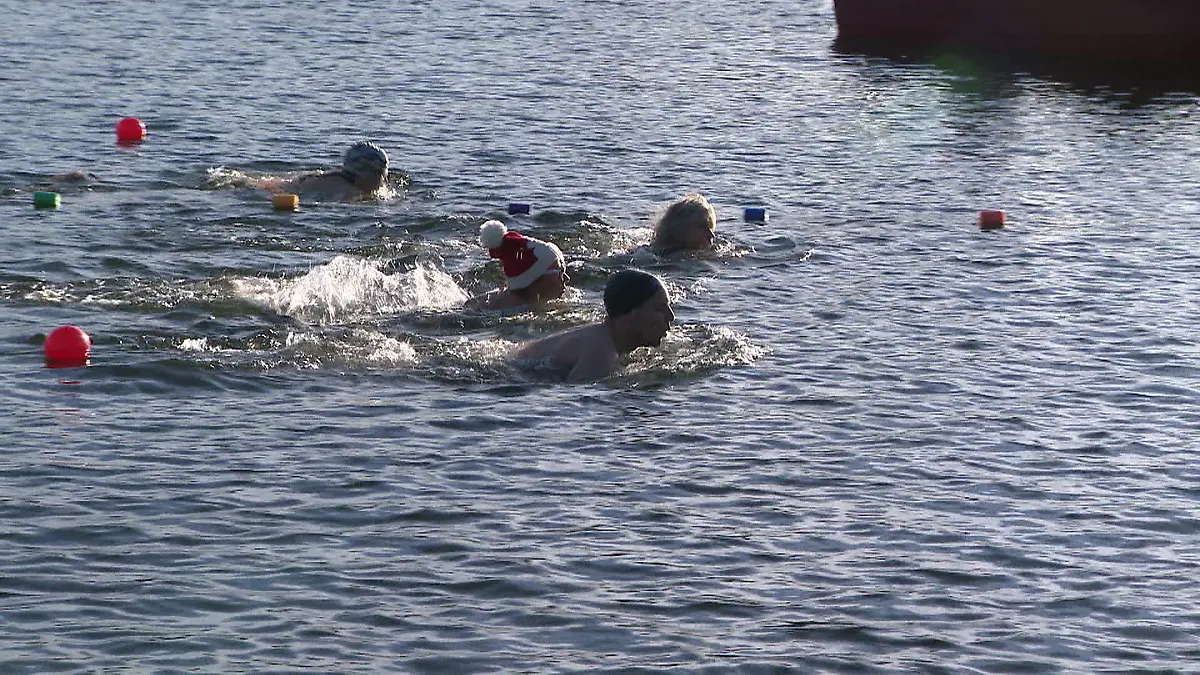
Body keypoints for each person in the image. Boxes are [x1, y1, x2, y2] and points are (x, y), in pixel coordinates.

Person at [510, 269, 674, 382]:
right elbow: (575, 398)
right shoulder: (601, 353)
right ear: (629, 314)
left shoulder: (603, 337)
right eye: (659, 309)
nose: (671, 316)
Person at [464, 220, 570, 311]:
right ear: (533, 281)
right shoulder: (507, 312)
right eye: (559, 272)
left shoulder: (523, 295)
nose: (567, 278)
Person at [271, 140, 391, 202]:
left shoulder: (335, 177)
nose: (385, 181)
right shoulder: (350, 191)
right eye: (380, 174)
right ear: (365, 174)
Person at [650, 192, 717, 254]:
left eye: (710, 227)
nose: (711, 235)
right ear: (681, 229)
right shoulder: (658, 257)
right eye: (701, 226)